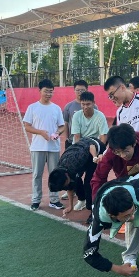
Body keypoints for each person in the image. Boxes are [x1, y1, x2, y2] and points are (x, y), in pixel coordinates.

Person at [23, 79, 65, 211]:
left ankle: (54, 199)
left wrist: (57, 133)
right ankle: (36, 200)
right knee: (37, 174)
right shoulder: (32, 108)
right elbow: (27, 126)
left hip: (53, 147)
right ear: (40, 91)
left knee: (54, 174)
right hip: (37, 147)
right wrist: (40, 132)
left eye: (51, 92)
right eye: (46, 91)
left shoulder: (56, 108)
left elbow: (62, 126)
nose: (48, 94)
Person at [48, 137, 106, 216]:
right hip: (83, 156)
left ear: (66, 175)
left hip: (95, 148)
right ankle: (82, 200)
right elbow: (69, 186)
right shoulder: (60, 171)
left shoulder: (77, 159)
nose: (66, 187)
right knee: (76, 181)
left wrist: (95, 157)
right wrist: (70, 206)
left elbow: (91, 146)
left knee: (89, 183)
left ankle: (93, 210)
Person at [63, 80, 90, 150]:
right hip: (72, 141)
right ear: (74, 90)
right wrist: (67, 138)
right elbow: (66, 123)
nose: (80, 92)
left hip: (88, 142)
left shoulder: (93, 107)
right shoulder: (68, 106)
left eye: (82, 90)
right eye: (77, 90)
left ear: (87, 90)